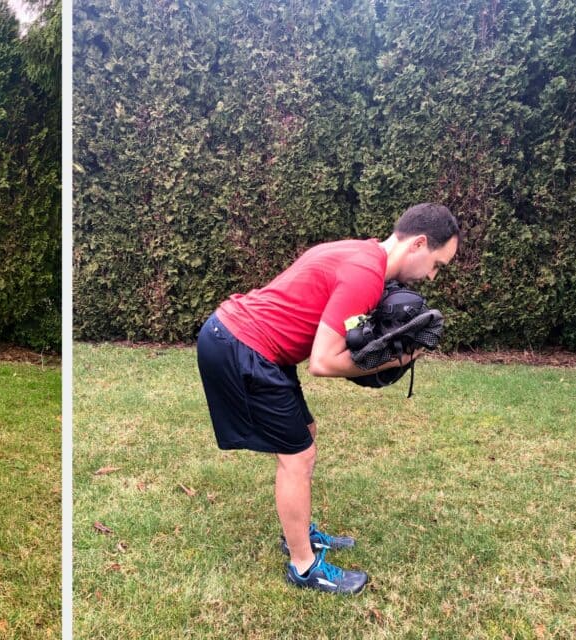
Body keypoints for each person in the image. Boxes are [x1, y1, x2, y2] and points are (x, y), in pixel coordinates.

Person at [196, 203, 459, 594]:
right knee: (296, 456)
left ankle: (299, 534)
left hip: (248, 341)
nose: (433, 276)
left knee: (306, 432)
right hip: (241, 344)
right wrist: (399, 357)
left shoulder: (362, 253)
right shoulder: (366, 274)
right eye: (437, 264)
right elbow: (322, 361)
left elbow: (336, 326)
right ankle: (304, 567)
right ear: (419, 243)